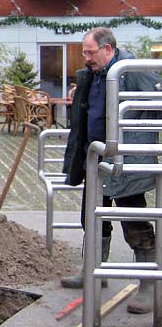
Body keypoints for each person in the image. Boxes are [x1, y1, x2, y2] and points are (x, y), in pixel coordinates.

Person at [61, 27, 161, 314]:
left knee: (136, 223)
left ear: (108, 49)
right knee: (93, 220)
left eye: (90, 52)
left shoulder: (132, 71)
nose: (86, 58)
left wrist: (139, 136)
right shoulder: (93, 75)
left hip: (126, 165)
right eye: (84, 52)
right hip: (96, 161)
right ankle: (93, 271)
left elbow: (158, 104)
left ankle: (148, 284)